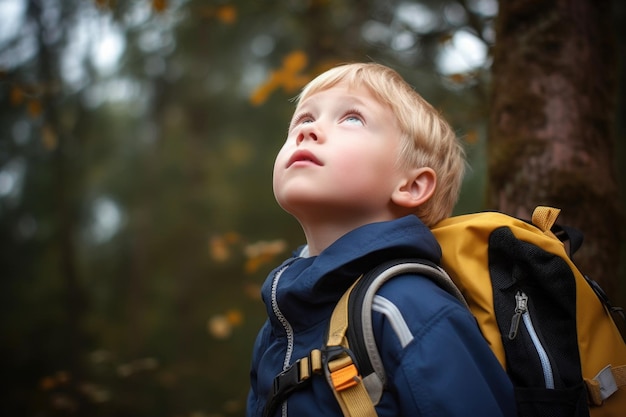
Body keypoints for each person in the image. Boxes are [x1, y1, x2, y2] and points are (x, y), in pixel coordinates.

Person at [246, 62, 516, 417]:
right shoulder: (281, 319)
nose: (308, 132)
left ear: (411, 186)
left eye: (352, 119)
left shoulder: (409, 306)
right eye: (304, 119)